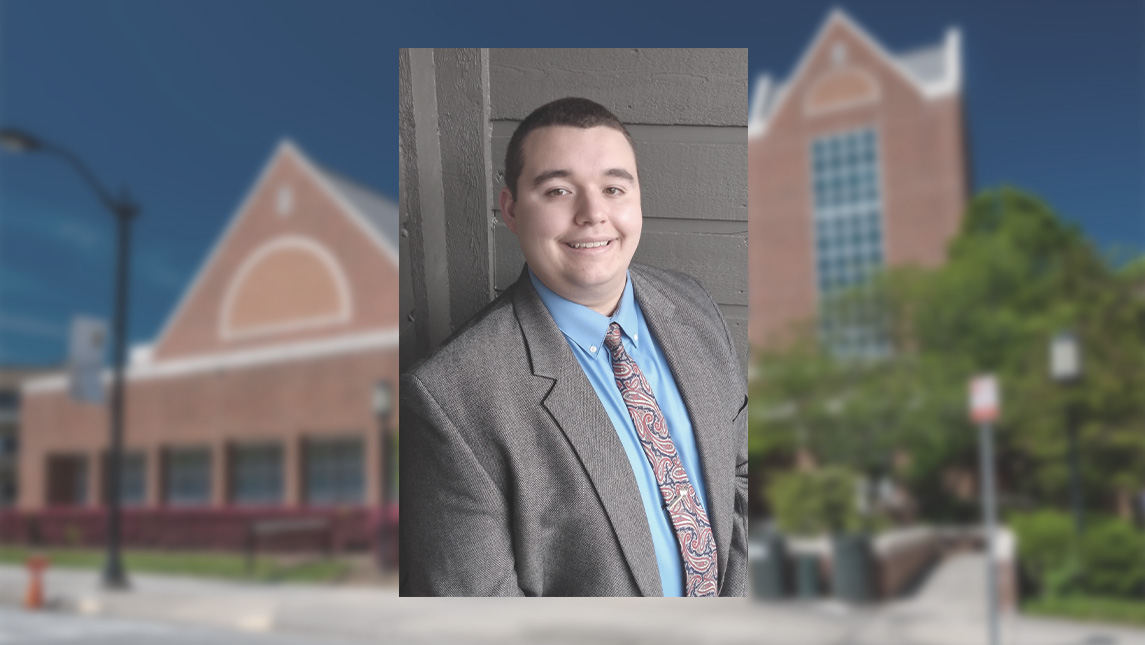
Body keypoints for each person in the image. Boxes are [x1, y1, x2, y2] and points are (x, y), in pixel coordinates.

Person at [399, 97, 747, 597]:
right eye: (559, 190)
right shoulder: (450, 401)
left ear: (638, 199)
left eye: (613, 188)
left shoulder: (694, 306)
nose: (592, 214)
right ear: (512, 210)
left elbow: (746, 472)